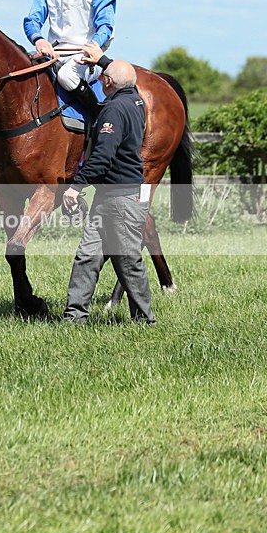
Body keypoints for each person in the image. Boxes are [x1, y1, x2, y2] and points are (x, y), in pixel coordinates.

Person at [62, 42, 156, 325]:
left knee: (127, 261)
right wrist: (104, 60)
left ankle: (144, 320)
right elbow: (123, 76)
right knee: (87, 256)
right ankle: (74, 316)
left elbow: (102, 157)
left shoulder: (114, 110)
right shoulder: (136, 99)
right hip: (111, 196)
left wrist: (75, 186)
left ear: (109, 83)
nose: (100, 80)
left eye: (103, 77)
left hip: (122, 198)